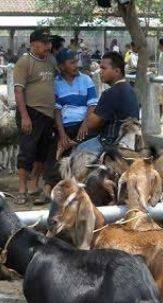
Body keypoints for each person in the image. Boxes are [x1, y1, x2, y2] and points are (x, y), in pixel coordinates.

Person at [40, 48, 98, 204]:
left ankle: (85, 189)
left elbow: (92, 106)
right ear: (61, 66)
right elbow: (57, 110)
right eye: (72, 62)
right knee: (54, 153)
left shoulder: (86, 80)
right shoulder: (56, 83)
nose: (76, 65)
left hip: (84, 124)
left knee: (86, 152)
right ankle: (49, 189)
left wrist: (85, 126)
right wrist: (62, 134)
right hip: (65, 126)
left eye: (76, 61)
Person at [13, 28, 56, 205]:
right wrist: (24, 116)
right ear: (33, 44)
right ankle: (22, 189)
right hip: (30, 112)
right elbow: (18, 90)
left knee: (42, 153)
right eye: (44, 43)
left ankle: (34, 184)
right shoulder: (25, 62)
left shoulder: (50, 61)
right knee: (27, 152)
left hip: (48, 114)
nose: (48, 46)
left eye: (49, 43)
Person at [71, 51, 140, 157]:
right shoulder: (131, 90)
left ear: (117, 71)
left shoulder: (111, 93)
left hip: (111, 143)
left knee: (77, 151)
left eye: (104, 68)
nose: (100, 71)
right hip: (131, 143)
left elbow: (91, 124)